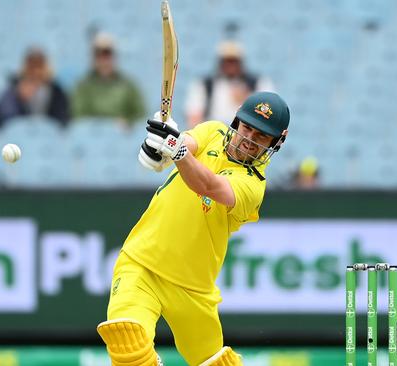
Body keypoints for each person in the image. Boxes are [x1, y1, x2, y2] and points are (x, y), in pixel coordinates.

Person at [98, 92, 290, 365]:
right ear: (237, 122)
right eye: (247, 128)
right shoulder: (213, 131)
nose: (249, 139)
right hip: (141, 263)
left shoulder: (253, 186)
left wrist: (175, 150)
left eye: (261, 136)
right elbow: (185, 143)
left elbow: (208, 186)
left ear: (275, 143)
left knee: (214, 361)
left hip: (193, 288)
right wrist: (159, 145)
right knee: (126, 341)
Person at [185, 41, 275, 128]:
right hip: (213, 136)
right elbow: (194, 118)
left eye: (234, 61)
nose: (230, 65)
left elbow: (271, 115)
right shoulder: (205, 85)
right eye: (227, 60)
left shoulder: (259, 84)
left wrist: (247, 102)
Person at [71, 32, 146, 127]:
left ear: (114, 56)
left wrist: (127, 122)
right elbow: (78, 116)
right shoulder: (83, 86)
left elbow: (141, 115)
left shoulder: (129, 86)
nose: (103, 60)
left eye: (107, 53)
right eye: (98, 54)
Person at [0, 48, 70, 129]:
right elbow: (0, 117)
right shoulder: (13, 91)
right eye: (32, 66)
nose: (36, 71)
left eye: (39, 66)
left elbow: (64, 118)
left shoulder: (56, 92)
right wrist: (19, 99)